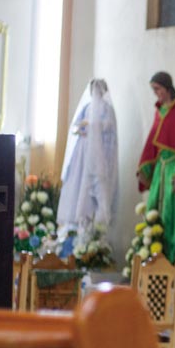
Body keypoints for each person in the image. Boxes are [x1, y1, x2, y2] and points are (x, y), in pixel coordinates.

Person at [137, 71, 175, 262]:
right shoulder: (159, 111)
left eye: (158, 89)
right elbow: (151, 144)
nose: (156, 94)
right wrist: (144, 170)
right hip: (159, 170)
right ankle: (151, 254)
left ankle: (170, 260)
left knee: (171, 214)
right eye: (153, 90)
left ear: (167, 87)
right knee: (153, 209)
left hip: (174, 169)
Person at [57, 78, 119, 233]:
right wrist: (84, 127)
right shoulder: (87, 107)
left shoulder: (107, 109)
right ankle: (78, 224)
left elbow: (109, 130)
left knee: (97, 189)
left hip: (100, 155)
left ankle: (96, 226)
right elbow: (76, 127)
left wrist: (94, 126)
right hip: (83, 151)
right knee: (79, 185)